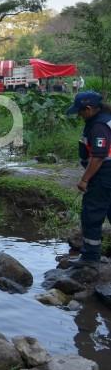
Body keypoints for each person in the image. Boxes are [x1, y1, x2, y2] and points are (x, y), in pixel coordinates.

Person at [66, 91, 111, 267]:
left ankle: (90, 258)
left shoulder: (99, 125)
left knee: (91, 214)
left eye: (80, 111)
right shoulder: (104, 119)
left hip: (104, 175)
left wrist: (84, 180)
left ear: (89, 109)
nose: (79, 115)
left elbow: (98, 156)